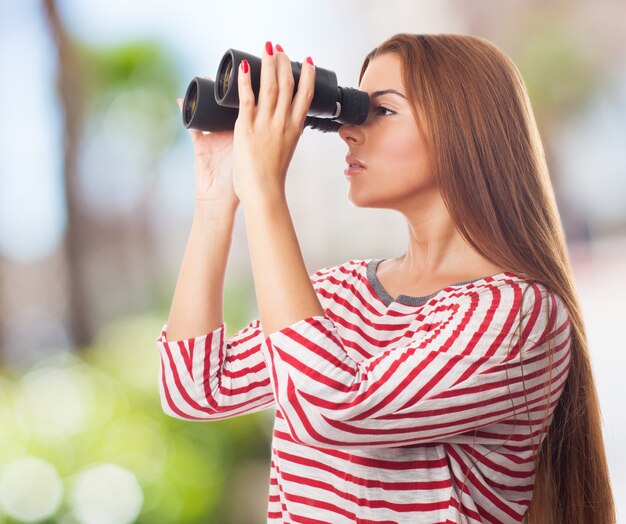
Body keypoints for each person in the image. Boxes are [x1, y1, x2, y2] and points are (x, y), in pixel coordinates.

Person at [157, 34, 615, 523]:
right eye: (353, 110)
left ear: (464, 129)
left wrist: (266, 194)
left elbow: (332, 409)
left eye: (383, 111)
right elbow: (194, 388)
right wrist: (215, 201)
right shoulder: (341, 292)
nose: (347, 132)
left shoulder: (520, 315)